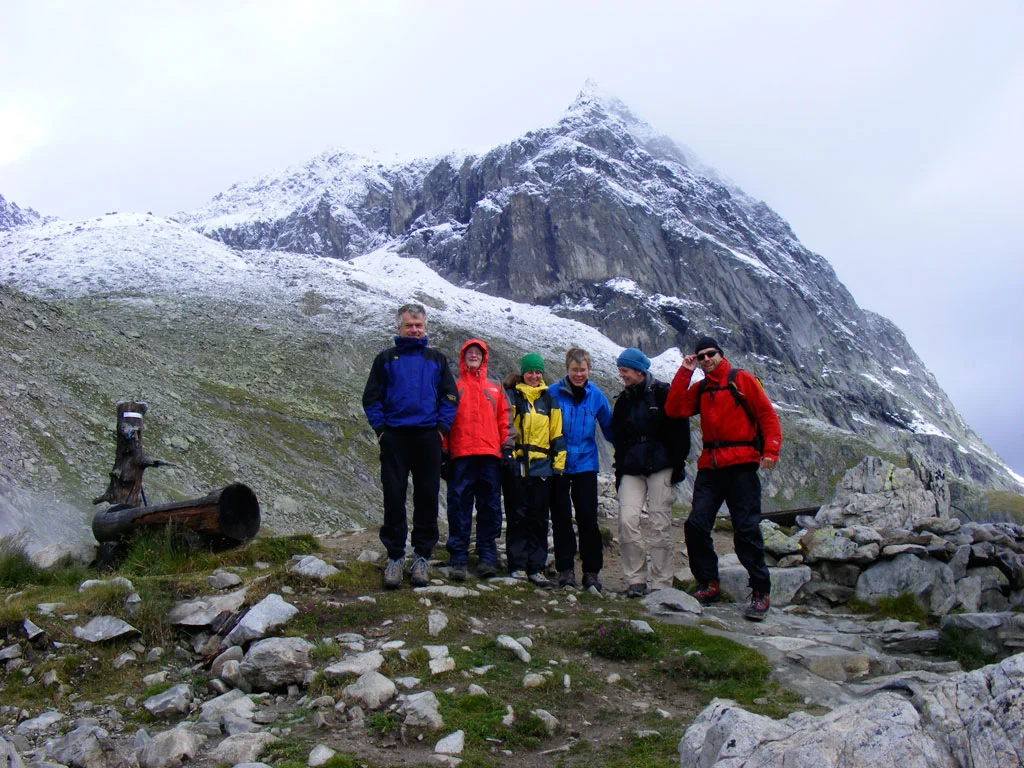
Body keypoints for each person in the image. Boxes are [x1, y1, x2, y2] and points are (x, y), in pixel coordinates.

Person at [665, 336, 782, 621]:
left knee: (746, 530)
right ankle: (709, 583)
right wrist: (684, 371)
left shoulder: (741, 379)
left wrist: (771, 450)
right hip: (711, 467)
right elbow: (674, 409)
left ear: (720, 354)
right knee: (695, 525)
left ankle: (760, 591)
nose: (706, 359)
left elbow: (767, 415)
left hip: (742, 466)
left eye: (710, 354)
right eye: (701, 356)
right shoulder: (702, 387)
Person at [362, 303, 458, 589]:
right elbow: (371, 398)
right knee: (394, 496)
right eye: (409, 326)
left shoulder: (437, 360)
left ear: (425, 327)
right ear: (399, 328)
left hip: (428, 438)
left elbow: (450, 397)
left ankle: (422, 556)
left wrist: (441, 430)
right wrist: (381, 431)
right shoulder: (385, 359)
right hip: (395, 438)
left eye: (418, 326)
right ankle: (394, 556)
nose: (414, 330)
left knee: (427, 497)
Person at [611, 348, 690, 598]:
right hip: (632, 467)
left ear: (638, 370)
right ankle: (635, 579)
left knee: (659, 523)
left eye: (625, 370)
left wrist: (677, 465)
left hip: (661, 465)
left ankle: (661, 582)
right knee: (627, 521)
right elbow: (618, 439)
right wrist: (619, 471)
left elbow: (680, 431)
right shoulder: (623, 401)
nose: (621, 374)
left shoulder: (663, 393)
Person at [445, 339, 513, 581]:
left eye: (478, 353)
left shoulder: (495, 389)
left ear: (484, 358)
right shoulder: (454, 388)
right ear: (463, 357)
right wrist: (444, 451)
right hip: (461, 455)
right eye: (469, 352)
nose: (473, 356)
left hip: (489, 456)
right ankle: (459, 559)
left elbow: (504, 420)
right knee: (459, 507)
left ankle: (486, 557)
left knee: (490, 507)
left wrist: (507, 447)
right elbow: (445, 421)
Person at [548, 347, 614, 591]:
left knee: (588, 517)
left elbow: (609, 428)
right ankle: (565, 570)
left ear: (589, 369)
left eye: (583, 370)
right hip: (559, 464)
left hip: (586, 463)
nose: (579, 374)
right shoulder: (552, 393)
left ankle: (591, 572)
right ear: (567, 369)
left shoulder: (596, 395)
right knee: (561, 517)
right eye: (575, 370)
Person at [505, 353, 566, 587]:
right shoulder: (513, 396)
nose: (534, 375)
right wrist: (508, 455)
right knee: (517, 515)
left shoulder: (549, 400)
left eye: (538, 372)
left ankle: (536, 566)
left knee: (539, 518)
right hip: (518, 464)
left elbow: (557, 434)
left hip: (542, 467)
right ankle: (517, 565)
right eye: (530, 371)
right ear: (523, 373)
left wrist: (558, 465)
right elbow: (507, 427)